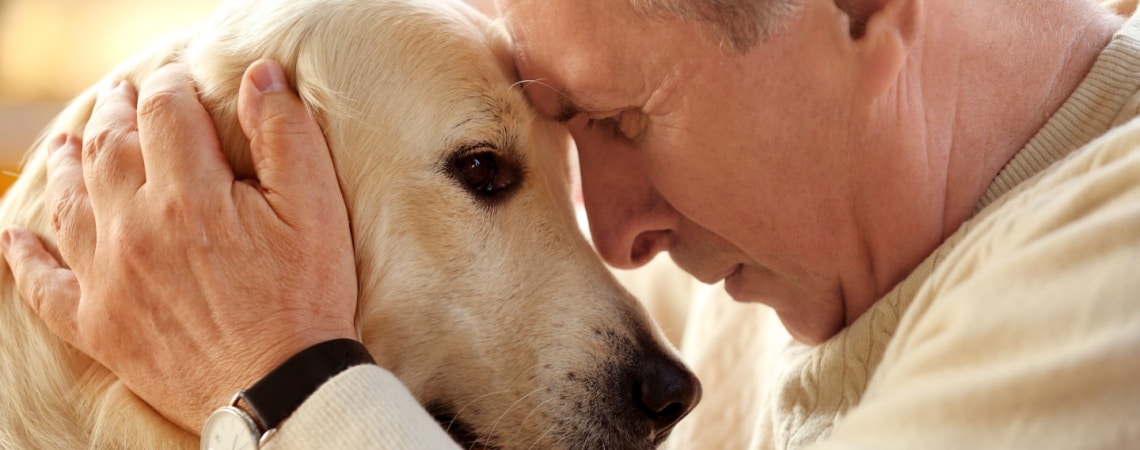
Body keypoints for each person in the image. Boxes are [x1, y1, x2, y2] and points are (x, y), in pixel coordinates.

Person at [3, 0, 1140, 448]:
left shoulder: (1110, 267)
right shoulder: (773, 262)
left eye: (625, 119)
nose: (619, 231)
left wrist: (283, 381)